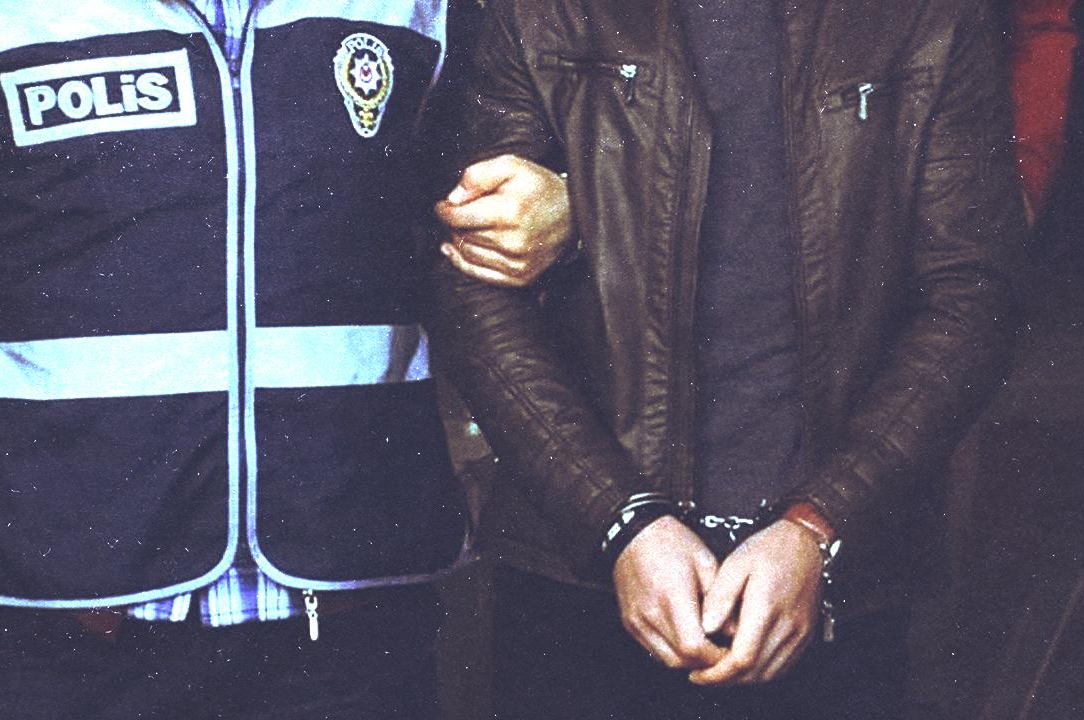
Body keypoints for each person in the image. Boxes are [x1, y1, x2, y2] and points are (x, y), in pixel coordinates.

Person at [0, 2, 563, 719]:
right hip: (37, 613)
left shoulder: (425, 9)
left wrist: (565, 207)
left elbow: (502, 207)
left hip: (349, 606)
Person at [433, 0, 1025, 718]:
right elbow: (472, 285)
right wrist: (620, 522)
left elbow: (975, 298)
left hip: (830, 587)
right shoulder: (544, 11)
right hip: (578, 576)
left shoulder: (928, 16)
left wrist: (820, 523)